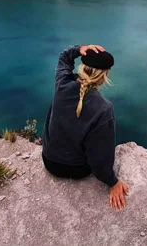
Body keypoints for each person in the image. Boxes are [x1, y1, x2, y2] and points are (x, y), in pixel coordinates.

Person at [41, 44, 130, 209]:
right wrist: (113, 182)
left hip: (49, 161)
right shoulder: (104, 108)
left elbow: (64, 58)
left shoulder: (62, 84)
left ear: (82, 68)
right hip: (78, 170)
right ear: (104, 76)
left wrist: (79, 49)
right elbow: (100, 157)